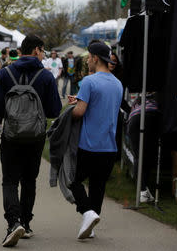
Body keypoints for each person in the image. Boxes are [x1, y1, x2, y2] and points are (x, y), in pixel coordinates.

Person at [0, 35, 61, 247]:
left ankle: (13, 223)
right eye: (42, 51)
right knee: (29, 180)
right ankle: (26, 222)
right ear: (35, 51)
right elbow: (54, 110)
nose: (43, 55)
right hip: (36, 137)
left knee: (9, 180)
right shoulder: (46, 76)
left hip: (11, 136)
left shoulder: (5, 73)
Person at [68, 42, 123, 240]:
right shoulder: (117, 83)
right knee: (98, 186)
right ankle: (91, 227)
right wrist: (81, 99)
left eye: (89, 58)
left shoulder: (89, 82)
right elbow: (103, 106)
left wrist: (69, 112)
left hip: (89, 144)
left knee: (72, 180)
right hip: (109, 145)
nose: (88, 61)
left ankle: (87, 213)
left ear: (95, 58)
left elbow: (80, 112)